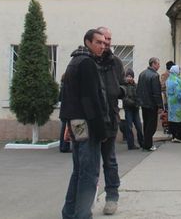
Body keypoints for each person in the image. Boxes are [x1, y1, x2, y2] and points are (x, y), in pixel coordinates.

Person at [60, 29, 116, 219]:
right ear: (88, 42)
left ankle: (69, 212)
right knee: (89, 173)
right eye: (98, 42)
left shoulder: (74, 61)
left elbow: (68, 97)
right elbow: (91, 100)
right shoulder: (87, 63)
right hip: (88, 124)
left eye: (104, 43)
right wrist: (102, 130)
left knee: (79, 170)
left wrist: (67, 123)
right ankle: (82, 214)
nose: (102, 46)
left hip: (77, 122)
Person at [95, 26, 125, 216]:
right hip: (90, 119)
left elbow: (123, 86)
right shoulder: (87, 61)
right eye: (103, 39)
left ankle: (112, 196)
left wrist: (117, 90)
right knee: (88, 162)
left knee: (110, 160)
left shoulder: (116, 62)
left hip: (110, 117)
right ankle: (88, 198)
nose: (107, 42)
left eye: (109, 39)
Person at [136, 57, 162, 151]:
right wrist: (160, 105)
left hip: (144, 104)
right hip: (151, 104)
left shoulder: (142, 74)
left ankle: (145, 143)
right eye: (158, 64)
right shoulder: (155, 76)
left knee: (146, 124)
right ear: (153, 64)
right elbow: (156, 92)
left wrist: (139, 101)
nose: (159, 66)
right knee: (151, 125)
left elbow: (138, 89)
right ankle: (148, 144)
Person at [122, 69, 143, 150]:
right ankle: (131, 145)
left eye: (130, 76)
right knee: (129, 127)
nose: (129, 78)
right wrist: (134, 103)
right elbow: (125, 98)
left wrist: (139, 103)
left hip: (136, 109)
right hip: (128, 109)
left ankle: (142, 142)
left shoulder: (136, 85)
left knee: (139, 126)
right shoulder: (124, 86)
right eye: (128, 76)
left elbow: (140, 95)